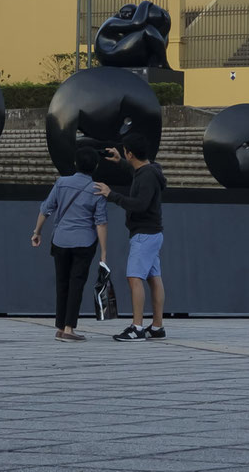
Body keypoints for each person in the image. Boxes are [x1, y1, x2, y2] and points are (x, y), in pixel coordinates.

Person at [93, 132, 167, 341]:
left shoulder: (146, 176)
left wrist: (111, 195)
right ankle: (157, 327)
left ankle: (137, 327)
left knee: (134, 277)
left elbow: (140, 204)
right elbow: (138, 171)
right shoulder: (151, 170)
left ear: (131, 153)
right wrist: (120, 161)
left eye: (125, 151)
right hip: (152, 233)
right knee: (154, 278)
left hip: (144, 234)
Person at [32, 146, 110, 342]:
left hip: (61, 240)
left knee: (62, 283)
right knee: (77, 283)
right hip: (85, 243)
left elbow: (46, 208)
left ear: (76, 163)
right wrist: (103, 251)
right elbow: (100, 222)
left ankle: (60, 326)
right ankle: (68, 328)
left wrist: (37, 232)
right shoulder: (98, 189)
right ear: (96, 166)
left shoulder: (62, 183)